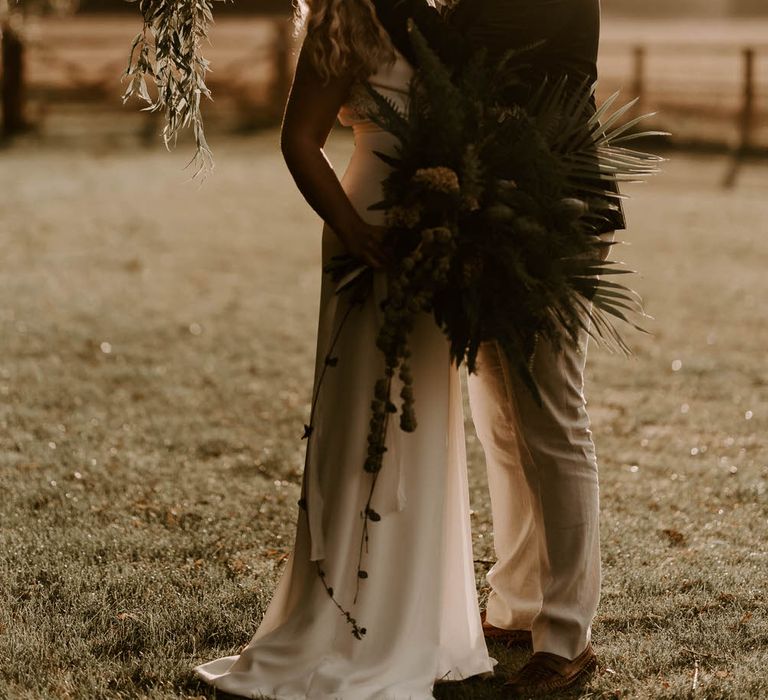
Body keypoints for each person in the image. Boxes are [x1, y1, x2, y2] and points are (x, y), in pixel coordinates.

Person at [192, 1, 494, 698]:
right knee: (365, 420)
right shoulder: (343, 19)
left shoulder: (441, 17)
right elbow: (300, 139)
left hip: (437, 231)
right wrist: (353, 229)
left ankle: (417, 620)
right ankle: (345, 620)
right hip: (371, 232)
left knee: (425, 424)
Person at [371, 0, 626, 695]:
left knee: (549, 418)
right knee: (503, 419)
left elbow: (450, 48)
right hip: (494, 210)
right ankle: (518, 605)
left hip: (553, 209)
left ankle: (567, 638)